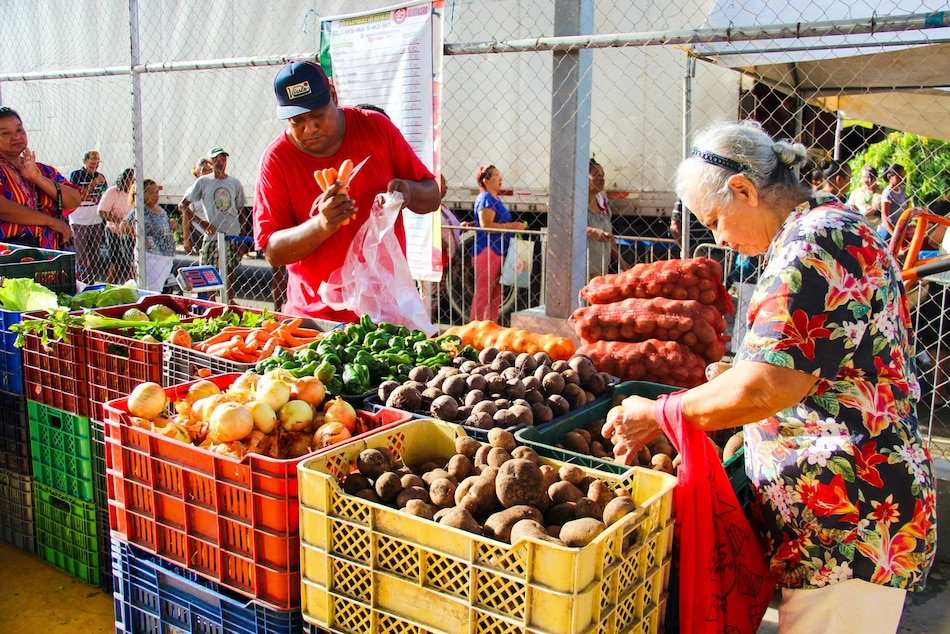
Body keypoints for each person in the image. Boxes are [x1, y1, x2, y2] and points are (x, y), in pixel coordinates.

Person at [603, 120, 936, 634]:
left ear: (744, 190)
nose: (719, 238)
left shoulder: (814, 245)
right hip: (836, 517)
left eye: (715, 220)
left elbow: (767, 387)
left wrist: (658, 414)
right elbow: (813, 363)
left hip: (851, 524)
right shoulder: (829, 224)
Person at [253, 60, 440, 322]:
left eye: (318, 114)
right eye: (297, 121)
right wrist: (322, 224)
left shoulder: (375, 127)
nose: (310, 128)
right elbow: (273, 251)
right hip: (316, 318)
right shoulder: (276, 160)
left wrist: (408, 191)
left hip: (386, 310)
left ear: (333, 96)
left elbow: (432, 195)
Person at [0, 107, 79, 250]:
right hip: (10, 260)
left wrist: (36, 178)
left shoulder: (43, 170)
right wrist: (51, 222)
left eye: (19, 130)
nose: (16, 137)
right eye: (5, 133)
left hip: (51, 256)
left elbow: (74, 200)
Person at [179, 147, 247, 302]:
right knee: (209, 271)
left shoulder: (234, 183)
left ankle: (229, 301)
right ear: (210, 162)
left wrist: (243, 237)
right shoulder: (203, 182)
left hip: (231, 233)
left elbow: (241, 211)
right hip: (212, 235)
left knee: (230, 270)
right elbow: (182, 205)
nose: (220, 163)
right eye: (216, 159)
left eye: (223, 159)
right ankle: (212, 302)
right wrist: (201, 222)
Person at [470, 164, 527, 322]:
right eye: (496, 176)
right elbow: (486, 225)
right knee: (483, 294)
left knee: (495, 296)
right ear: (486, 180)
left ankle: (490, 327)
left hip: (498, 251)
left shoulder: (494, 198)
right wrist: (512, 226)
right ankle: (475, 328)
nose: (500, 179)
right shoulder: (485, 198)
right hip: (488, 251)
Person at [122, 179, 179, 290]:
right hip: (152, 256)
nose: (156, 195)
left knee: (166, 289)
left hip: (166, 256)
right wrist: (141, 238)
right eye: (152, 192)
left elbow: (164, 228)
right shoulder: (140, 210)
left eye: (157, 192)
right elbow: (124, 226)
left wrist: (172, 224)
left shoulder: (161, 210)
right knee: (153, 289)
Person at [586, 158, 627, 278]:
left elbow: (610, 239)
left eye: (603, 175)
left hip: (601, 271)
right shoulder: (577, 206)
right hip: (582, 271)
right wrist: (591, 232)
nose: (601, 179)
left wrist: (622, 264)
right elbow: (568, 228)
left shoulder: (603, 205)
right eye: (596, 175)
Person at [97, 167, 135, 284]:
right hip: (114, 230)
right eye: (131, 180)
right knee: (116, 261)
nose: (133, 183)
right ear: (124, 180)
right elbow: (102, 212)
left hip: (131, 231)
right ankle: (110, 285)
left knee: (132, 261)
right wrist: (119, 220)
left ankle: (135, 285)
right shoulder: (113, 192)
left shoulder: (135, 193)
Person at [184, 157, 214, 253]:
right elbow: (186, 216)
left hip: (217, 231)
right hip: (200, 231)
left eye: (210, 170)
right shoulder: (192, 191)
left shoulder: (217, 188)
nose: (208, 173)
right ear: (197, 174)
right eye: (204, 170)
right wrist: (186, 239)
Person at [879, 162, 910, 240]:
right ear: (890, 177)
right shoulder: (887, 193)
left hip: (899, 228)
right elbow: (885, 219)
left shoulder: (902, 190)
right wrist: (895, 236)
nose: (902, 180)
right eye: (899, 177)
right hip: (888, 231)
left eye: (903, 177)